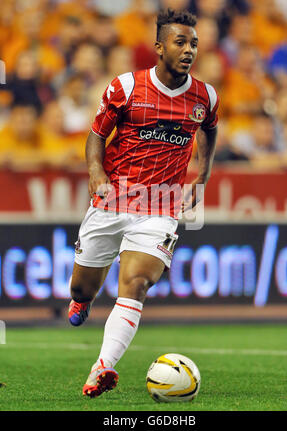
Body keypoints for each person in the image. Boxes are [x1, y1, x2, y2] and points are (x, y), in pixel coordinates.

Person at [68, 8, 219, 398]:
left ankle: (102, 366)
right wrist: (95, 172)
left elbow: (209, 130)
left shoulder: (205, 96)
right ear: (159, 47)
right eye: (180, 42)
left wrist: (201, 176)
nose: (189, 50)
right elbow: (96, 134)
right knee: (83, 288)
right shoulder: (126, 87)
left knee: (135, 283)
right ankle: (81, 301)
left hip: (160, 206)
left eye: (194, 44)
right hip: (112, 199)